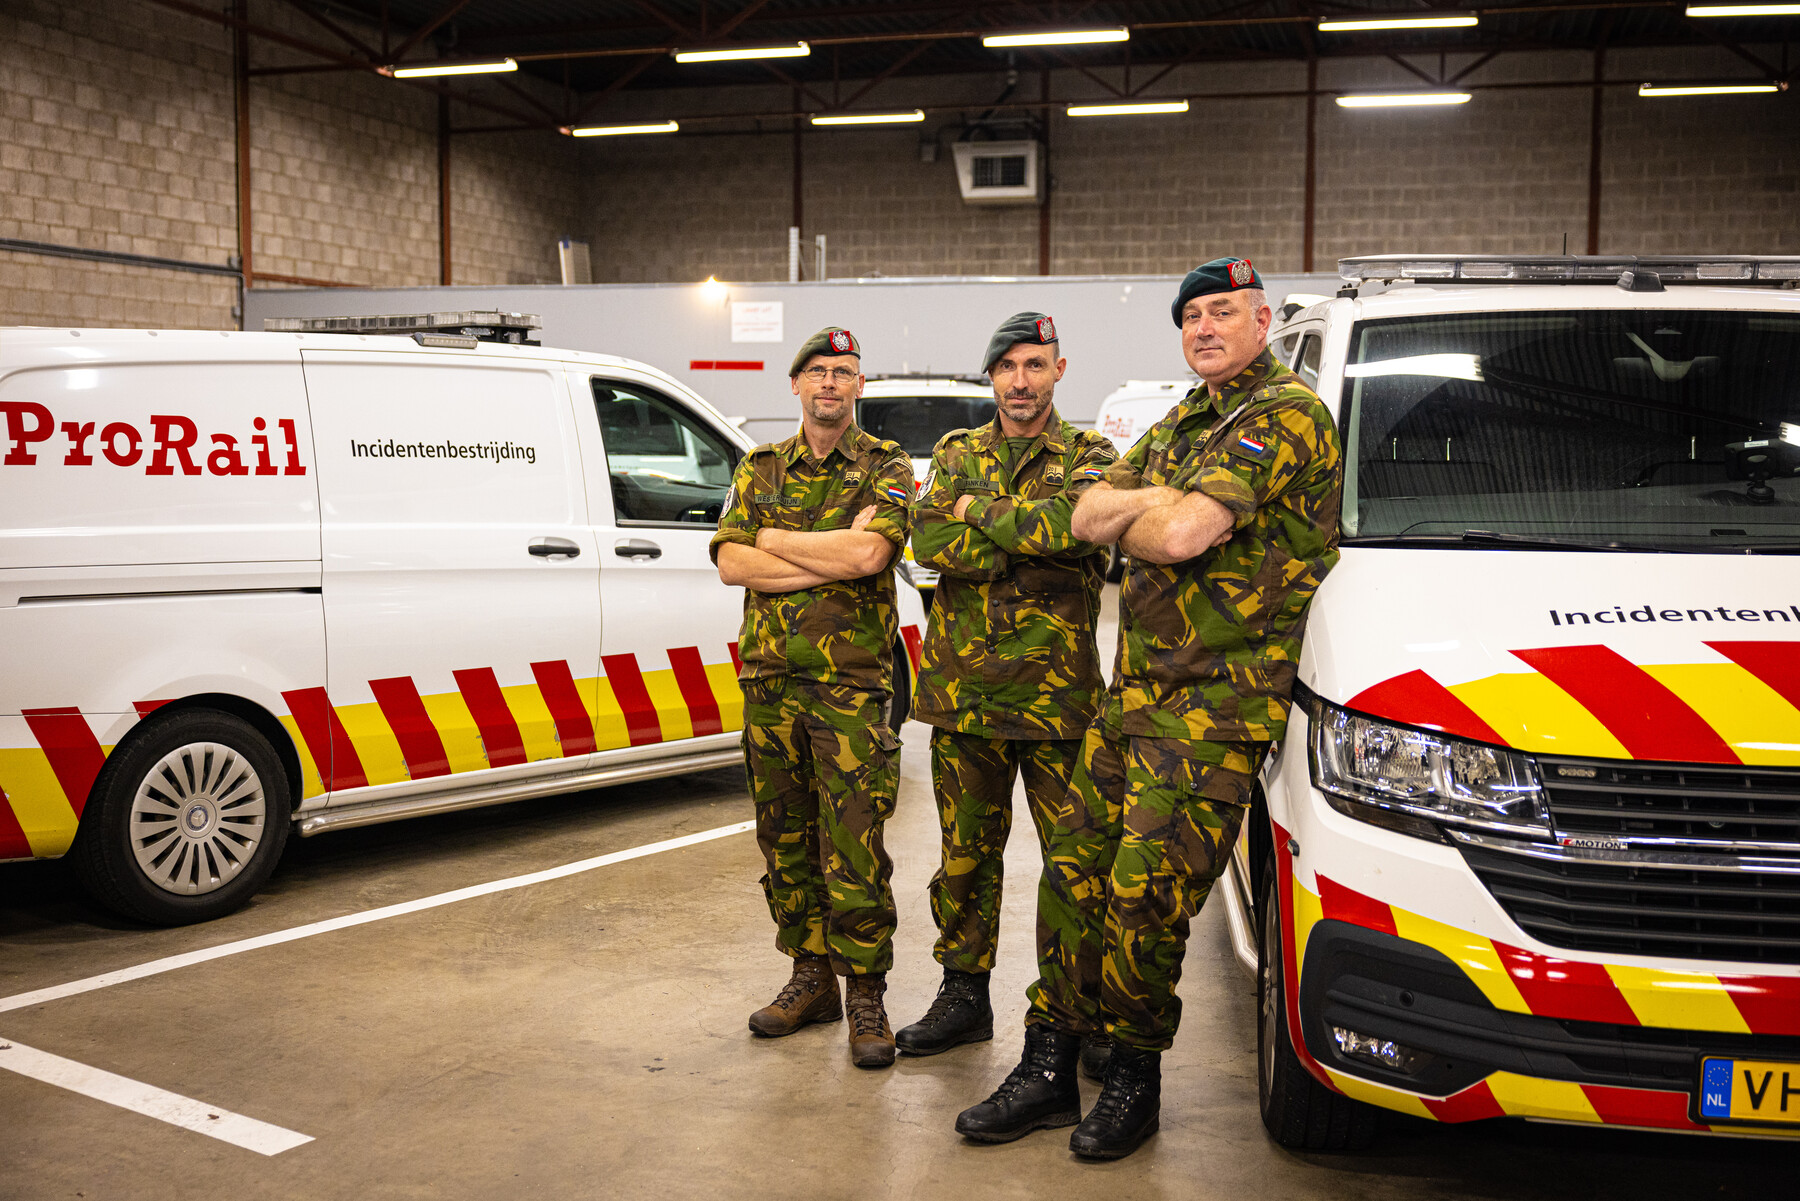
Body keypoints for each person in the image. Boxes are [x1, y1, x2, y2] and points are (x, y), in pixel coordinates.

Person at [955, 259, 1344, 1157]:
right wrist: (1153, 503)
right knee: (1071, 878)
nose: (1204, 327)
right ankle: (1050, 1063)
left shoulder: (1285, 414)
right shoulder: (1188, 417)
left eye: (1222, 312)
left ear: (1259, 320)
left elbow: (1176, 534)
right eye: (1191, 316)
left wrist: (1154, 509)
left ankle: (1134, 1079)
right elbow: (1090, 513)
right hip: (1131, 699)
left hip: (1214, 709)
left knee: (1144, 900)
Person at [895, 312, 1118, 1068]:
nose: (1020, 380)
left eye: (1035, 364)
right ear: (991, 377)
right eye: (1007, 366)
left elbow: (1075, 533)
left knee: (1075, 864)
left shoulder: (1091, 453)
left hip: (1060, 706)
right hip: (965, 699)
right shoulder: (958, 450)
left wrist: (978, 518)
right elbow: (926, 539)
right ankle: (964, 995)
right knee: (964, 858)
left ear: (1060, 369)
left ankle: (1077, 1010)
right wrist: (1022, 539)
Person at [710, 326, 915, 1069]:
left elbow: (872, 554)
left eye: (845, 372)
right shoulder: (758, 466)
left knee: (854, 843)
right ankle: (810, 976)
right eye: (818, 371)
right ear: (795, 384)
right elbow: (733, 564)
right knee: (784, 839)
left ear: (859, 386)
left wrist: (777, 538)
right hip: (770, 684)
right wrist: (830, 551)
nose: (831, 382)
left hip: (851, 690)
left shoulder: (887, 464)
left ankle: (865, 992)